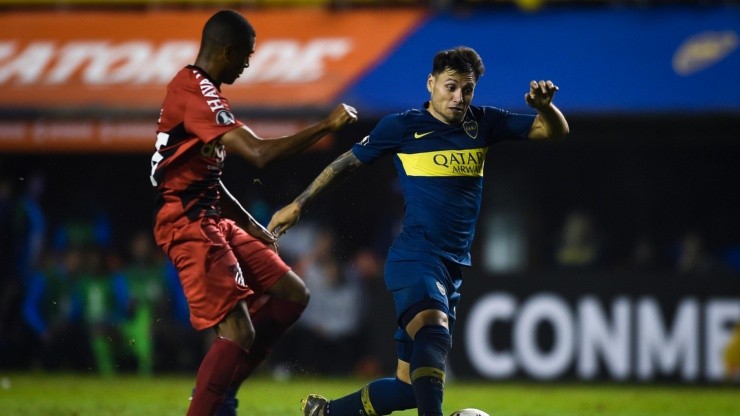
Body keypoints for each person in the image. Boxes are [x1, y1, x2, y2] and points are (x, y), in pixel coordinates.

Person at [268, 46, 568, 416]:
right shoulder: (402, 126)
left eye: (467, 89)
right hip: (415, 256)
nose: (459, 98)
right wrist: (299, 203)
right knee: (433, 329)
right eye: (451, 86)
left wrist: (545, 107)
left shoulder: (484, 123)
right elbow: (346, 163)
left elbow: (553, 131)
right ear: (431, 83)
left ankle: (328, 413)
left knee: (409, 389)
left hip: (452, 266)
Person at [149, 9, 357, 416]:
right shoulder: (197, 93)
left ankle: (220, 390)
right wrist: (326, 126)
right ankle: (209, 402)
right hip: (187, 223)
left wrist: (248, 223)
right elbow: (260, 154)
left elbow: (206, 179)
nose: (247, 64)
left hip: (211, 217)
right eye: (246, 55)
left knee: (293, 293)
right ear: (227, 50)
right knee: (238, 329)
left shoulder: (202, 92)